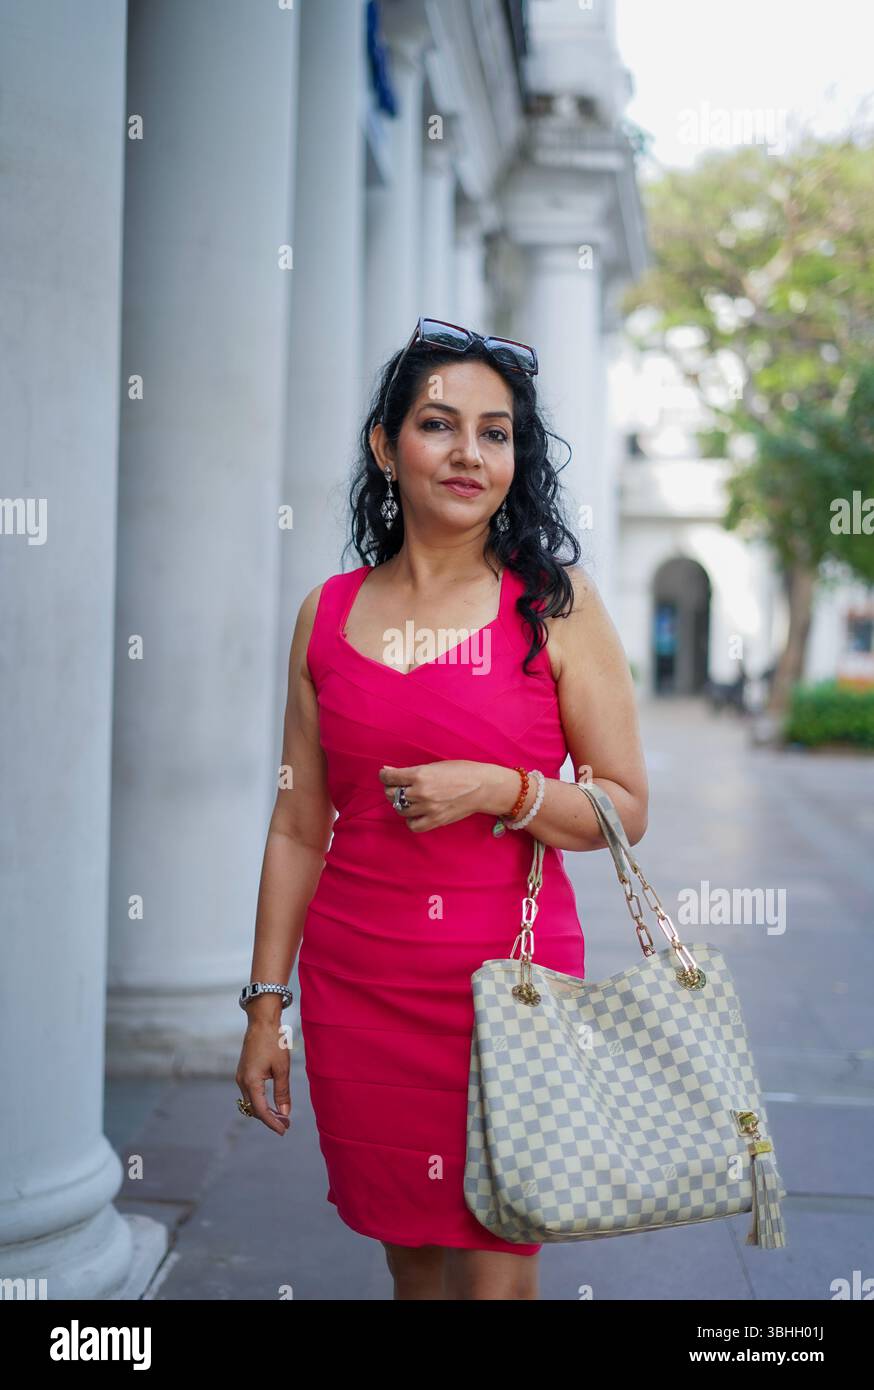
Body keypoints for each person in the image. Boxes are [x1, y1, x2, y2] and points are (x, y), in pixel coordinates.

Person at [235, 317, 649, 1301]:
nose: (469, 451)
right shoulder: (326, 613)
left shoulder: (554, 604)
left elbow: (626, 807)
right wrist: (264, 1010)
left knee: (499, 1271)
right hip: (359, 985)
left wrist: (504, 789)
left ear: (516, 456)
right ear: (387, 446)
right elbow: (298, 825)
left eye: (496, 432)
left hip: (512, 983)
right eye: (438, 423)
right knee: (410, 1261)